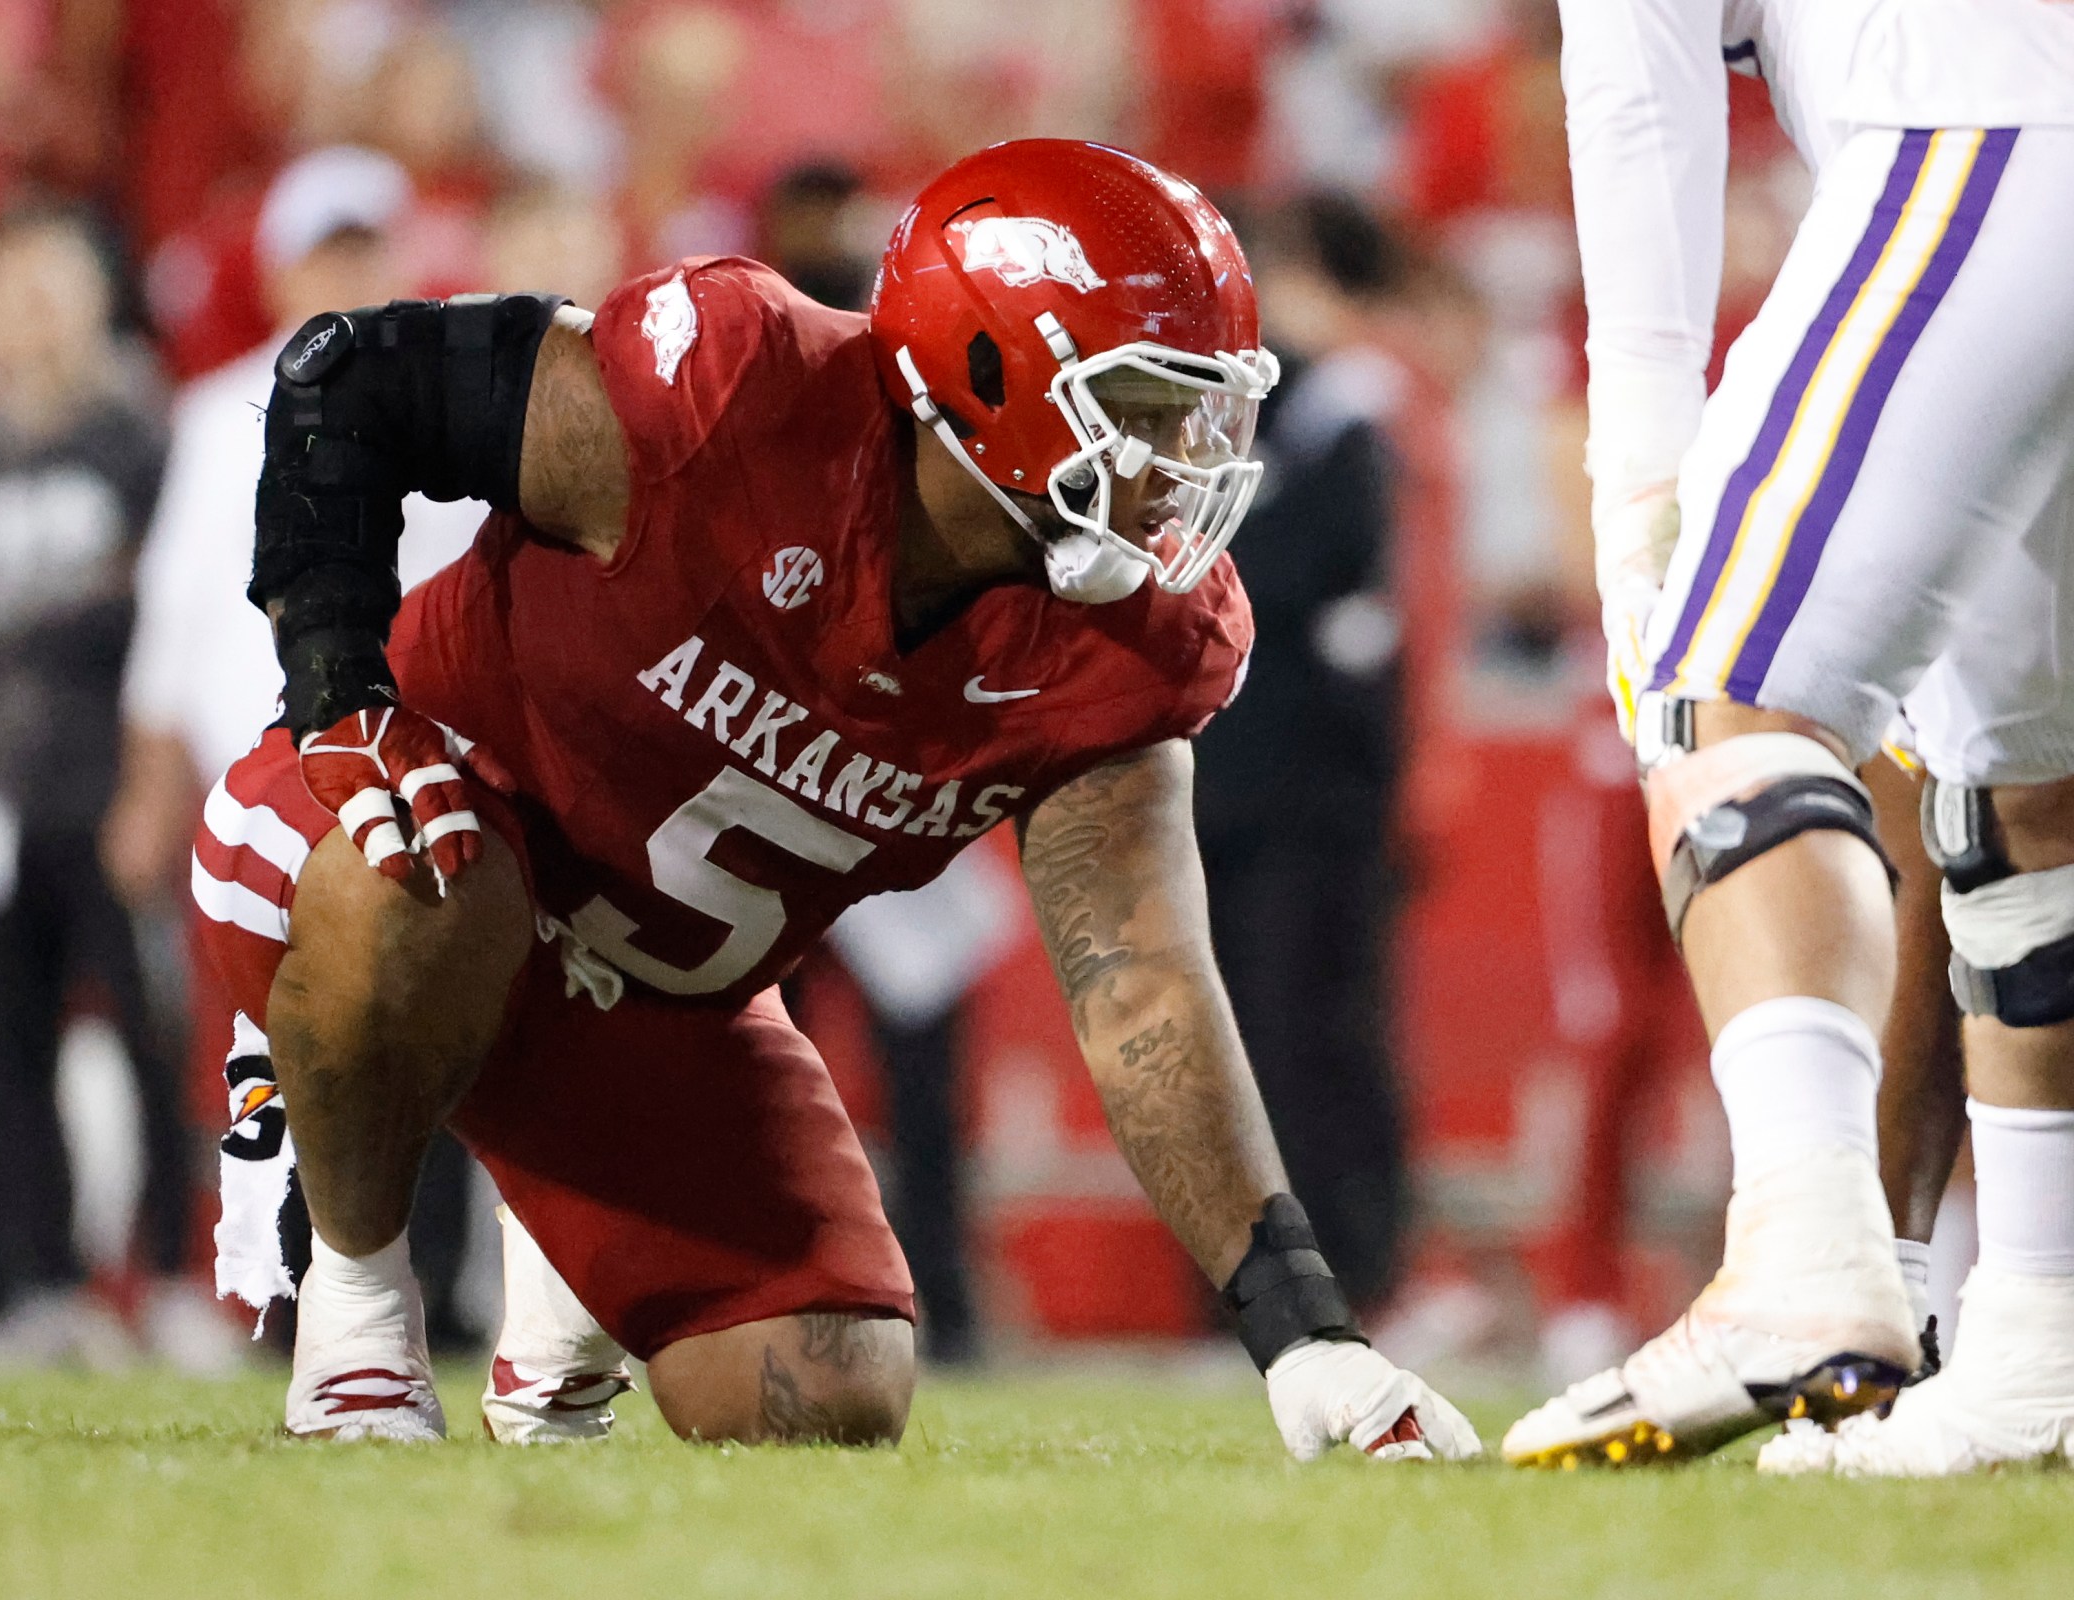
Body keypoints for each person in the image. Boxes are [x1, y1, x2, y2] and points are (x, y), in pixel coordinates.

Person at [191, 138, 1479, 1458]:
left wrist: (1307, 1332)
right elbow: (344, 380)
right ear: (988, 371)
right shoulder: (733, 391)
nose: (1173, 466)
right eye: (1144, 408)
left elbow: (1140, 980)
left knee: (823, 1388)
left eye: (1199, 416)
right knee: (431, 889)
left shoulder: (1126, 636)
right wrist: (344, 699)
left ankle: (567, 1250)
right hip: (393, 848)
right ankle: (355, 1310)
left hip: (646, 1000)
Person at [1511, 0, 2074, 1471]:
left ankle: (1804, 1257)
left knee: (1722, 684)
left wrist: (1639, 462)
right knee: (2029, 790)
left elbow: (1640, 88)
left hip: (1989, 120)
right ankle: (2041, 1341)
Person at [106, 144, 488, 1353]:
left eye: (367, 246)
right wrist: (146, 786)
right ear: (279, 270)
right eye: (329, 250)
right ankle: (271, 1299)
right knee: (267, 1055)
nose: (350, 272)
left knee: (422, 1045)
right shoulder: (220, 416)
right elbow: (176, 615)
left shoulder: (448, 412)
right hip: (257, 783)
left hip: (403, 768)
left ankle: (422, 1294)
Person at [0, 211, 210, 1365]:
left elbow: (165, 585)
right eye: (9, 291)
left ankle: (178, 1276)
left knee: (151, 1032)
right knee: (1, 1037)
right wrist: (73, 592)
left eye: (49, 290)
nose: (29, 316)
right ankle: (34, 1281)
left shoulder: (139, 429)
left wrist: (27, 607)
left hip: (111, 776)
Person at [1192, 191, 1413, 1314]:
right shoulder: (1222, 408)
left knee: (1312, 1032)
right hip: (1215, 775)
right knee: (1213, 1041)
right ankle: (1237, 1282)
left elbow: (1316, 566)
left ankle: (1354, 1269)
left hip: (1310, 788)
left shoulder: (1339, 410)